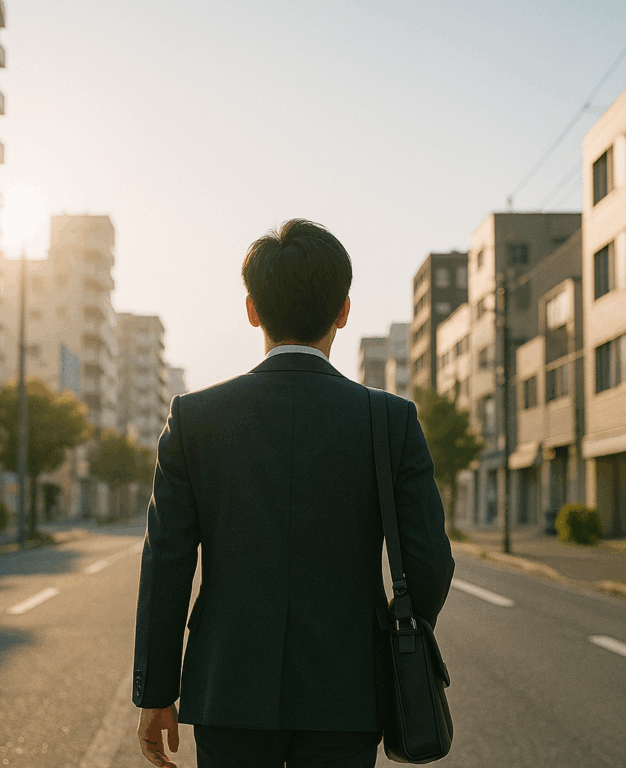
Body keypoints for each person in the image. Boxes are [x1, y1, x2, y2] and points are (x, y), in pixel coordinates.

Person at [133, 219, 454, 768]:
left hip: (227, 687)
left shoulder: (194, 420)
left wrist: (156, 692)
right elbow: (429, 565)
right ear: (344, 310)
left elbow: (167, 565)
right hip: (347, 690)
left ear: (253, 308)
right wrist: (386, 646)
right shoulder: (390, 421)